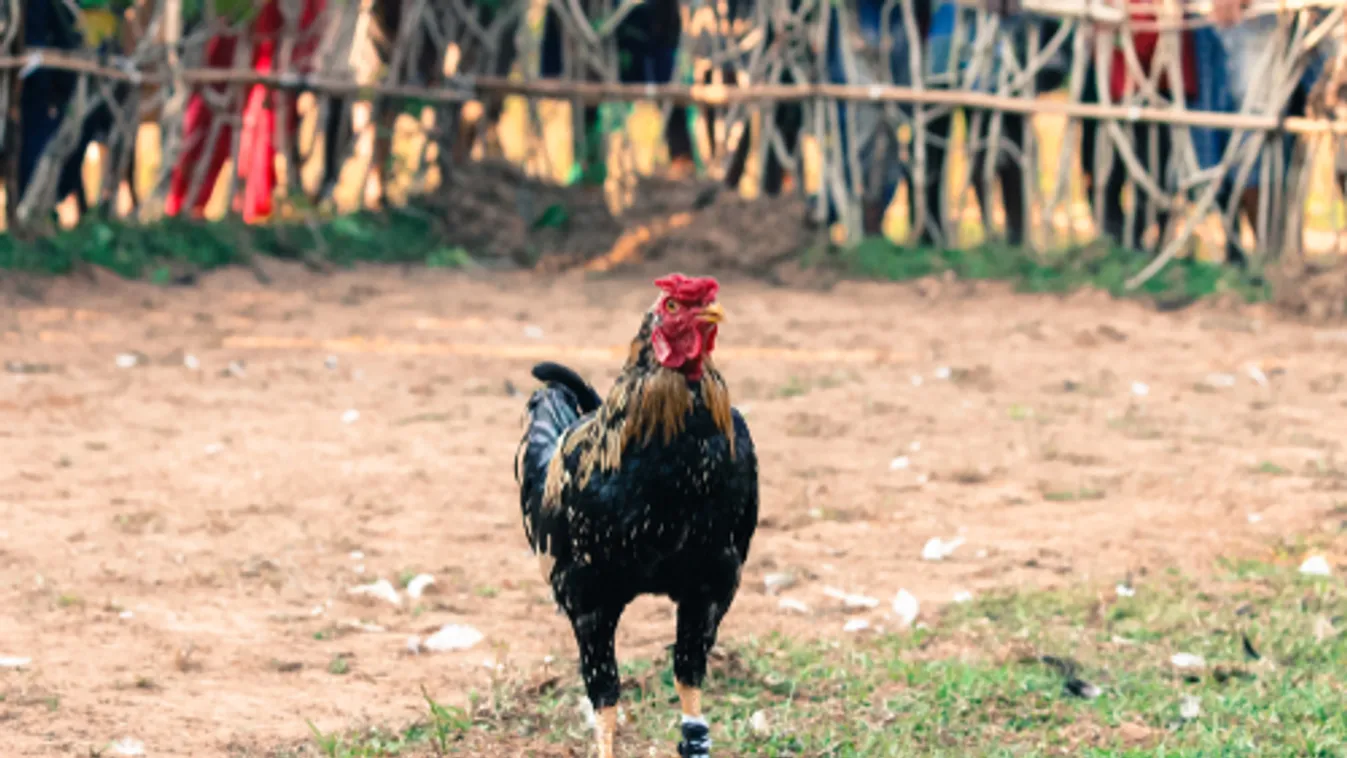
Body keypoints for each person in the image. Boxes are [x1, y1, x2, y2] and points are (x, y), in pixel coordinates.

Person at [165, 0, 327, 223]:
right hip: (235, 24)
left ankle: (255, 203)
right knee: (215, 105)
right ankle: (189, 203)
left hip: (275, 30)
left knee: (268, 113)